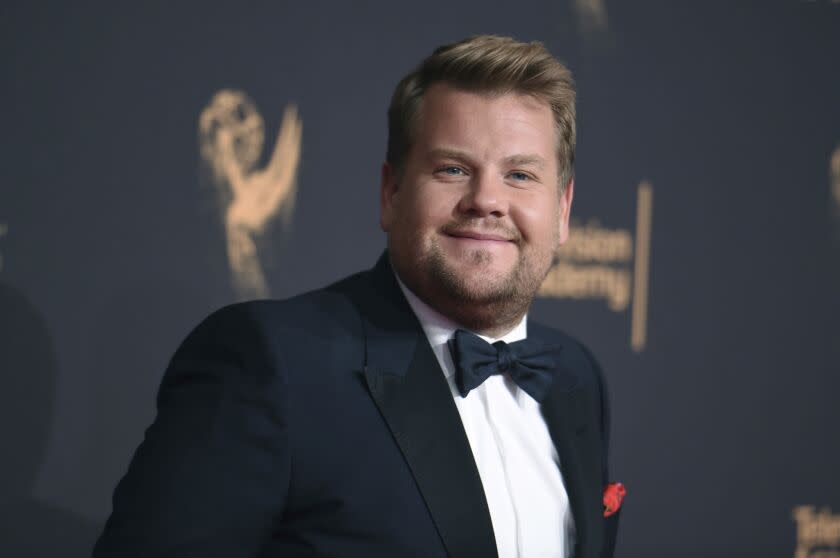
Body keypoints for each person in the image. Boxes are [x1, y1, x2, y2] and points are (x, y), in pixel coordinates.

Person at [93, 35, 622, 558]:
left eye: (520, 175)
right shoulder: (271, 364)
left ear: (563, 210)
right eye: (453, 169)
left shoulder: (576, 377)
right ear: (391, 193)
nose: (487, 199)